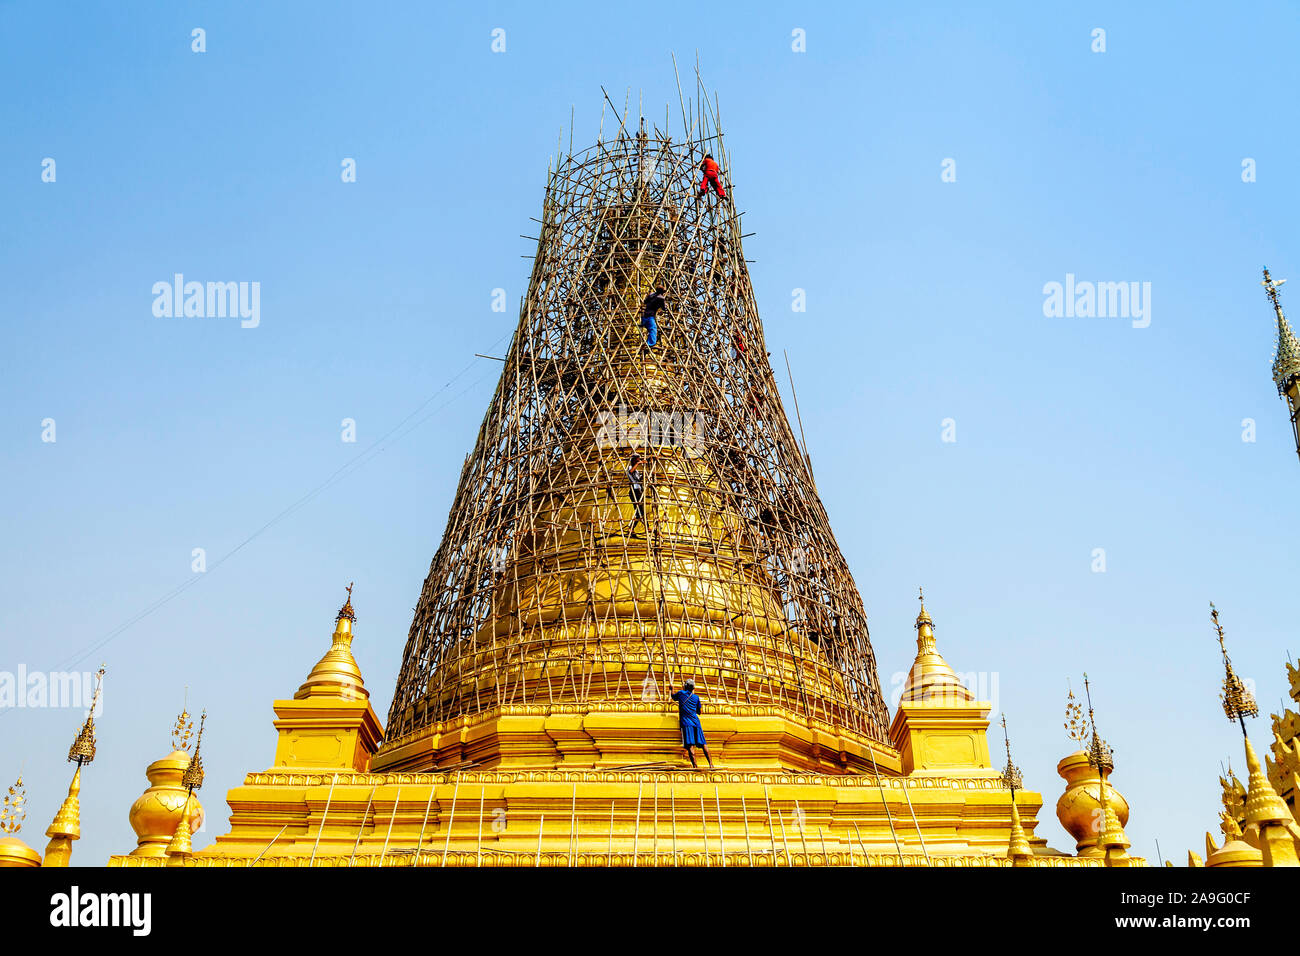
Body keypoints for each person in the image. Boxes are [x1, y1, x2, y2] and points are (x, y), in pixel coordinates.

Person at [670, 679, 713, 768]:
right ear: (693, 688)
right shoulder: (696, 697)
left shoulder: (681, 693)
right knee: (703, 744)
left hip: (686, 723)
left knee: (690, 745)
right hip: (696, 722)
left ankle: (695, 766)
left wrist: (671, 688)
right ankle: (711, 764)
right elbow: (699, 712)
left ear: (685, 686)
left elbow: (673, 697)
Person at [627, 453, 647, 535]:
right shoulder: (630, 468)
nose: (639, 460)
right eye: (638, 459)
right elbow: (631, 472)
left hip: (638, 490)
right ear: (634, 460)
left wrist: (643, 475)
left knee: (640, 512)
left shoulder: (637, 471)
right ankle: (647, 527)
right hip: (634, 491)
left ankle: (631, 527)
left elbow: (638, 479)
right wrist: (639, 463)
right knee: (641, 510)